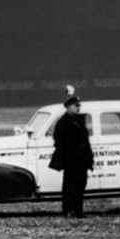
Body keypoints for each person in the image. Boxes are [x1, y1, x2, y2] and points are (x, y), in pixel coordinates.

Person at [49, 89, 94, 218]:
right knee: (69, 186)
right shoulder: (62, 123)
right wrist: (70, 155)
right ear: (68, 107)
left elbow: (86, 141)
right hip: (71, 161)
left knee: (80, 185)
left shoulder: (80, 121)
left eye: (79, 105)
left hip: (81, 159)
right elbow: (59, 141)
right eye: (76, 105)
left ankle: (78, 210)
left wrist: (89, 158)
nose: (78, 108)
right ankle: (68, 210)